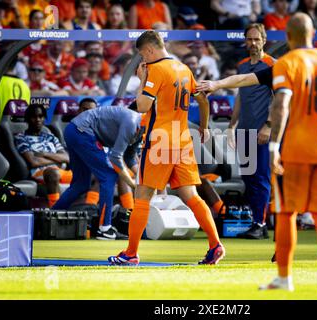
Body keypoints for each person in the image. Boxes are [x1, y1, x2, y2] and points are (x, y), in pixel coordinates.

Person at [198, 13, 317, 291]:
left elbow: (278, 100)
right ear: (312, 34)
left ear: (287, 36)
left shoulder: (286, 63)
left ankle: (284, 277)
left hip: (296, 147)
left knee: (286, 212)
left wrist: (274, 143)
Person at [108, 30, 225, 265]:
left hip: (160, 141)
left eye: (142, 54)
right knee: (191, 195)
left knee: (142, 196)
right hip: (182, 140)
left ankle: (131, 253)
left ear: (150, 49)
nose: (143, 60)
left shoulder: (156, 70)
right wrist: (204, 127)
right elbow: (202, 99)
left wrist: (142, 79)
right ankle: (215, 245)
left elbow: (141, 106)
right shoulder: (183, 68)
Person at [52, 105, 141, 240]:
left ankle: (50, 216)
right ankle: (105, 229)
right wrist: (134, 185)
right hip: (82, 131)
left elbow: (129, 158)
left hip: (73, 130)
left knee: (81, 184)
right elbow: (116, 158)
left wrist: (143, 179)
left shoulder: (143, 130)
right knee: (109, 175)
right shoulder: (132, 121)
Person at [228, 23, 274, 240]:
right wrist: (231, 125)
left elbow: (280, 98)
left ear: (264, 40)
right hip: (244, 131)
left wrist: (269, 124)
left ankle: (261, 222)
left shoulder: (273, 65)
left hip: (262, 131)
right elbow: (240, 96)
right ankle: (258, 222)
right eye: (250, 39)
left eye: (257, 39)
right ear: (245, 41)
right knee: (248, 177)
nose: (253, 43)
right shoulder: (243, 66)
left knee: (261, 178)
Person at [15, 104, 71, 208]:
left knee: (90, 174)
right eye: (34, 117)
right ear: (27, 119)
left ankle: (90, 211)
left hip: (61, 172)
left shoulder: (50, 137)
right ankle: (56, 211)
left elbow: (67, 158)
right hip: (42, 173)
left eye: (41, 116)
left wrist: (44, 154)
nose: (38, 120)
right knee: (52, 173)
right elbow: (34, 162)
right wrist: (56, 159)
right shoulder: (22, 138)